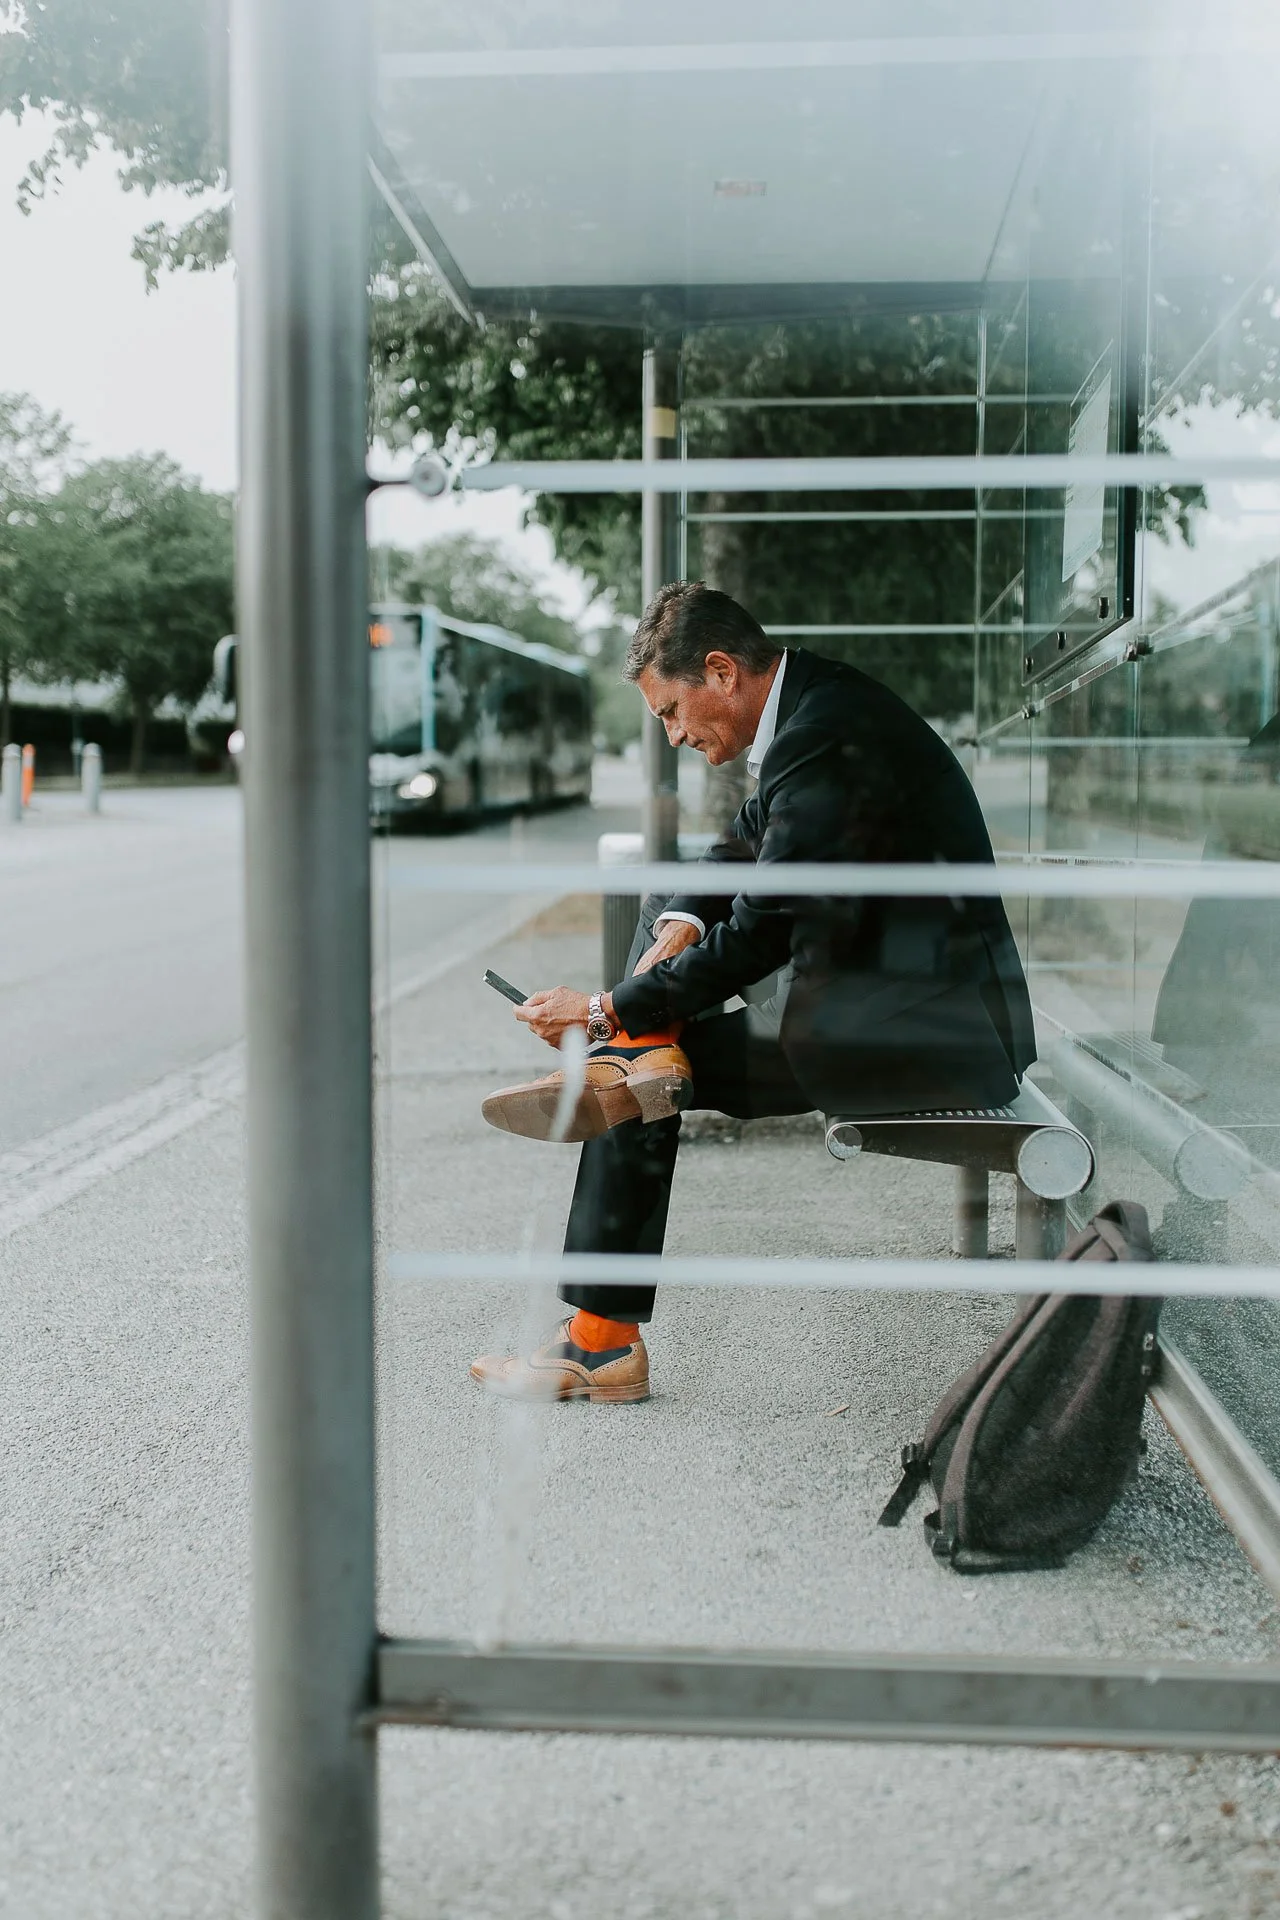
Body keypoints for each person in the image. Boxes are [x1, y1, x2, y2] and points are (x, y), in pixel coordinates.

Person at [472, 581, 1035, 1402]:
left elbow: (766, 929)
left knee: (629, 1077)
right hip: (884, 1007)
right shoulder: (815, 709)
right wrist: (679, 931)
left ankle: (600, 1342)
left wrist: (607, 1010)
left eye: (671, 712)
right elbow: (743, 847)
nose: (671, 736)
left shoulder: (824, 736)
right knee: (659, 937)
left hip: (921, 1041)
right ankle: (635, 1063)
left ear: (721, 671)